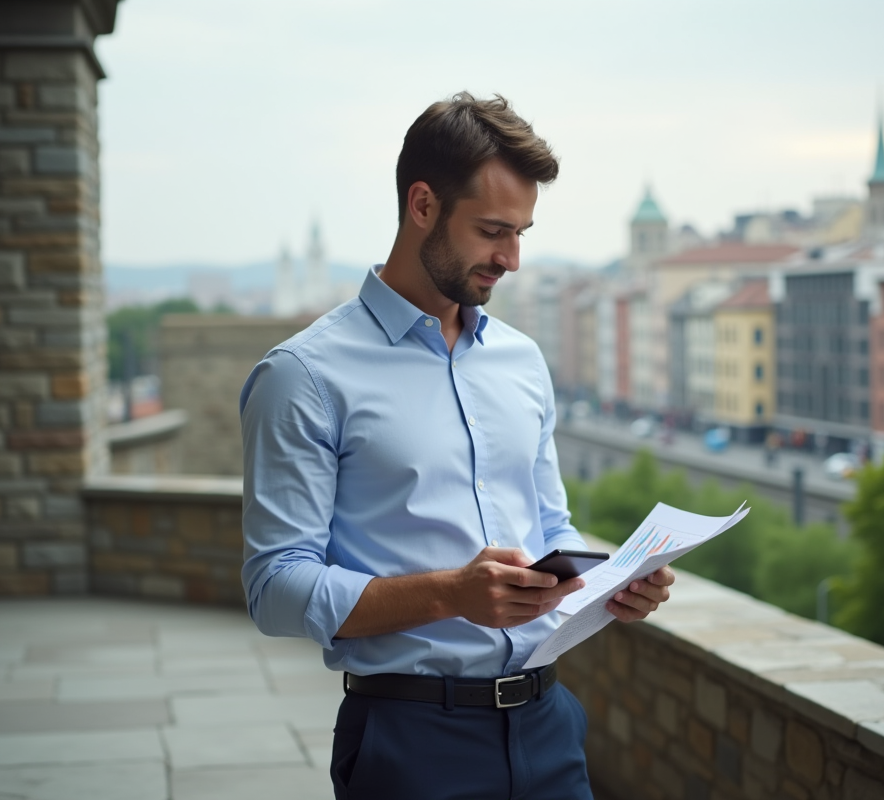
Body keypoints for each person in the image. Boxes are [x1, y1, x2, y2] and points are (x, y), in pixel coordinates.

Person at [239, 92, 676, 800]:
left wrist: (611, 582)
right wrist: (451, 594)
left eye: (523, 232)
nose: (512, 259)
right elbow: (275, 588)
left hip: (549, 727)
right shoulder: (304, 376)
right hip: (410, 743)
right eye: (493, 231)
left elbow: (548, 528)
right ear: (421, 206)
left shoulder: (523, 360)